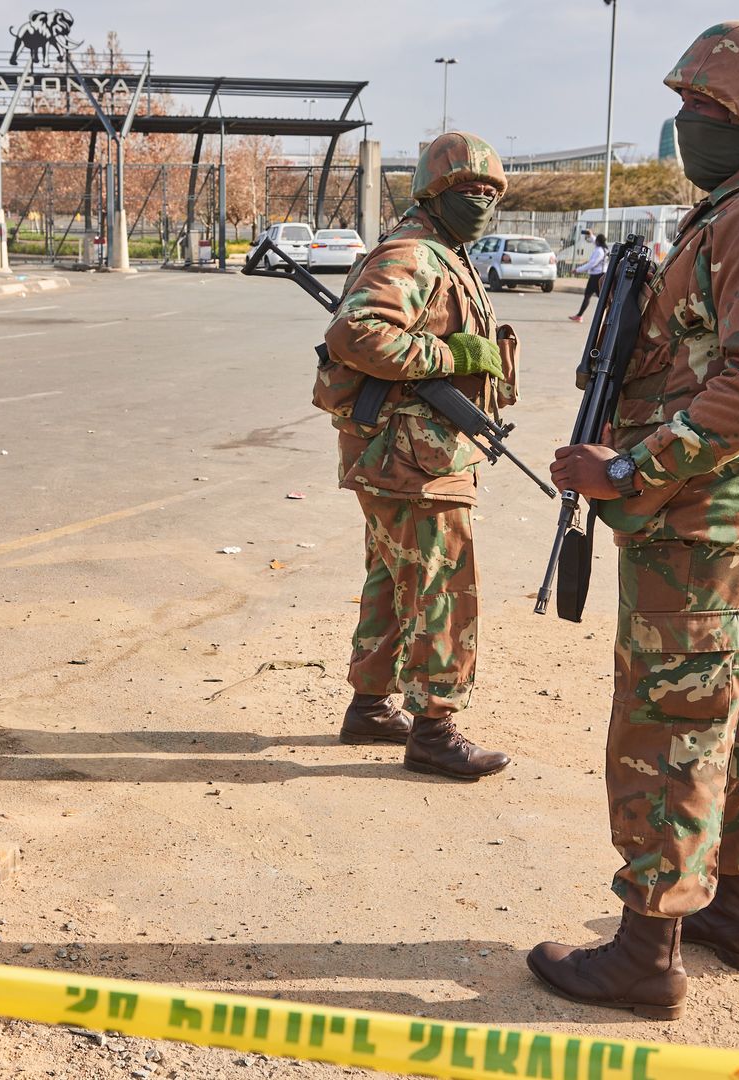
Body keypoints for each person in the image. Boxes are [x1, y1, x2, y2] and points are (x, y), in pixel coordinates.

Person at [526, 21, 739, 1019]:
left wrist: (626, 465)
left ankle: (646, 951)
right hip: (737, 512)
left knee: (668, 720)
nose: (681, 126)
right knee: (727, 707)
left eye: (697, 108)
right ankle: (732, 904)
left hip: (700, 516)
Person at [316, 131, 521, 781]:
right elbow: (356, 333)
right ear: (434, 192)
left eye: (493, 191)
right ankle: (435, 727)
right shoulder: (414, 254)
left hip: (404, 455)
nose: (483, 201)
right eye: (470, 190)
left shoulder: (440, 250)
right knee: (442, 583)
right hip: (414, 459)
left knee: (392, 578)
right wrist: (453, 358)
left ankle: (371, 706)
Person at [567, 232, 610, 322]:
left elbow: (591, 264)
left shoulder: (599, 251)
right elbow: (595, 241)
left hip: (596, 277)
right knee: (598, 296)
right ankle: (579, 315)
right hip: (600, 275)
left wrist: (578, 270)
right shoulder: (604, 249)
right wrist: (591, 235)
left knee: (593, 296)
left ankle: (610, 314)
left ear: (598, 242)